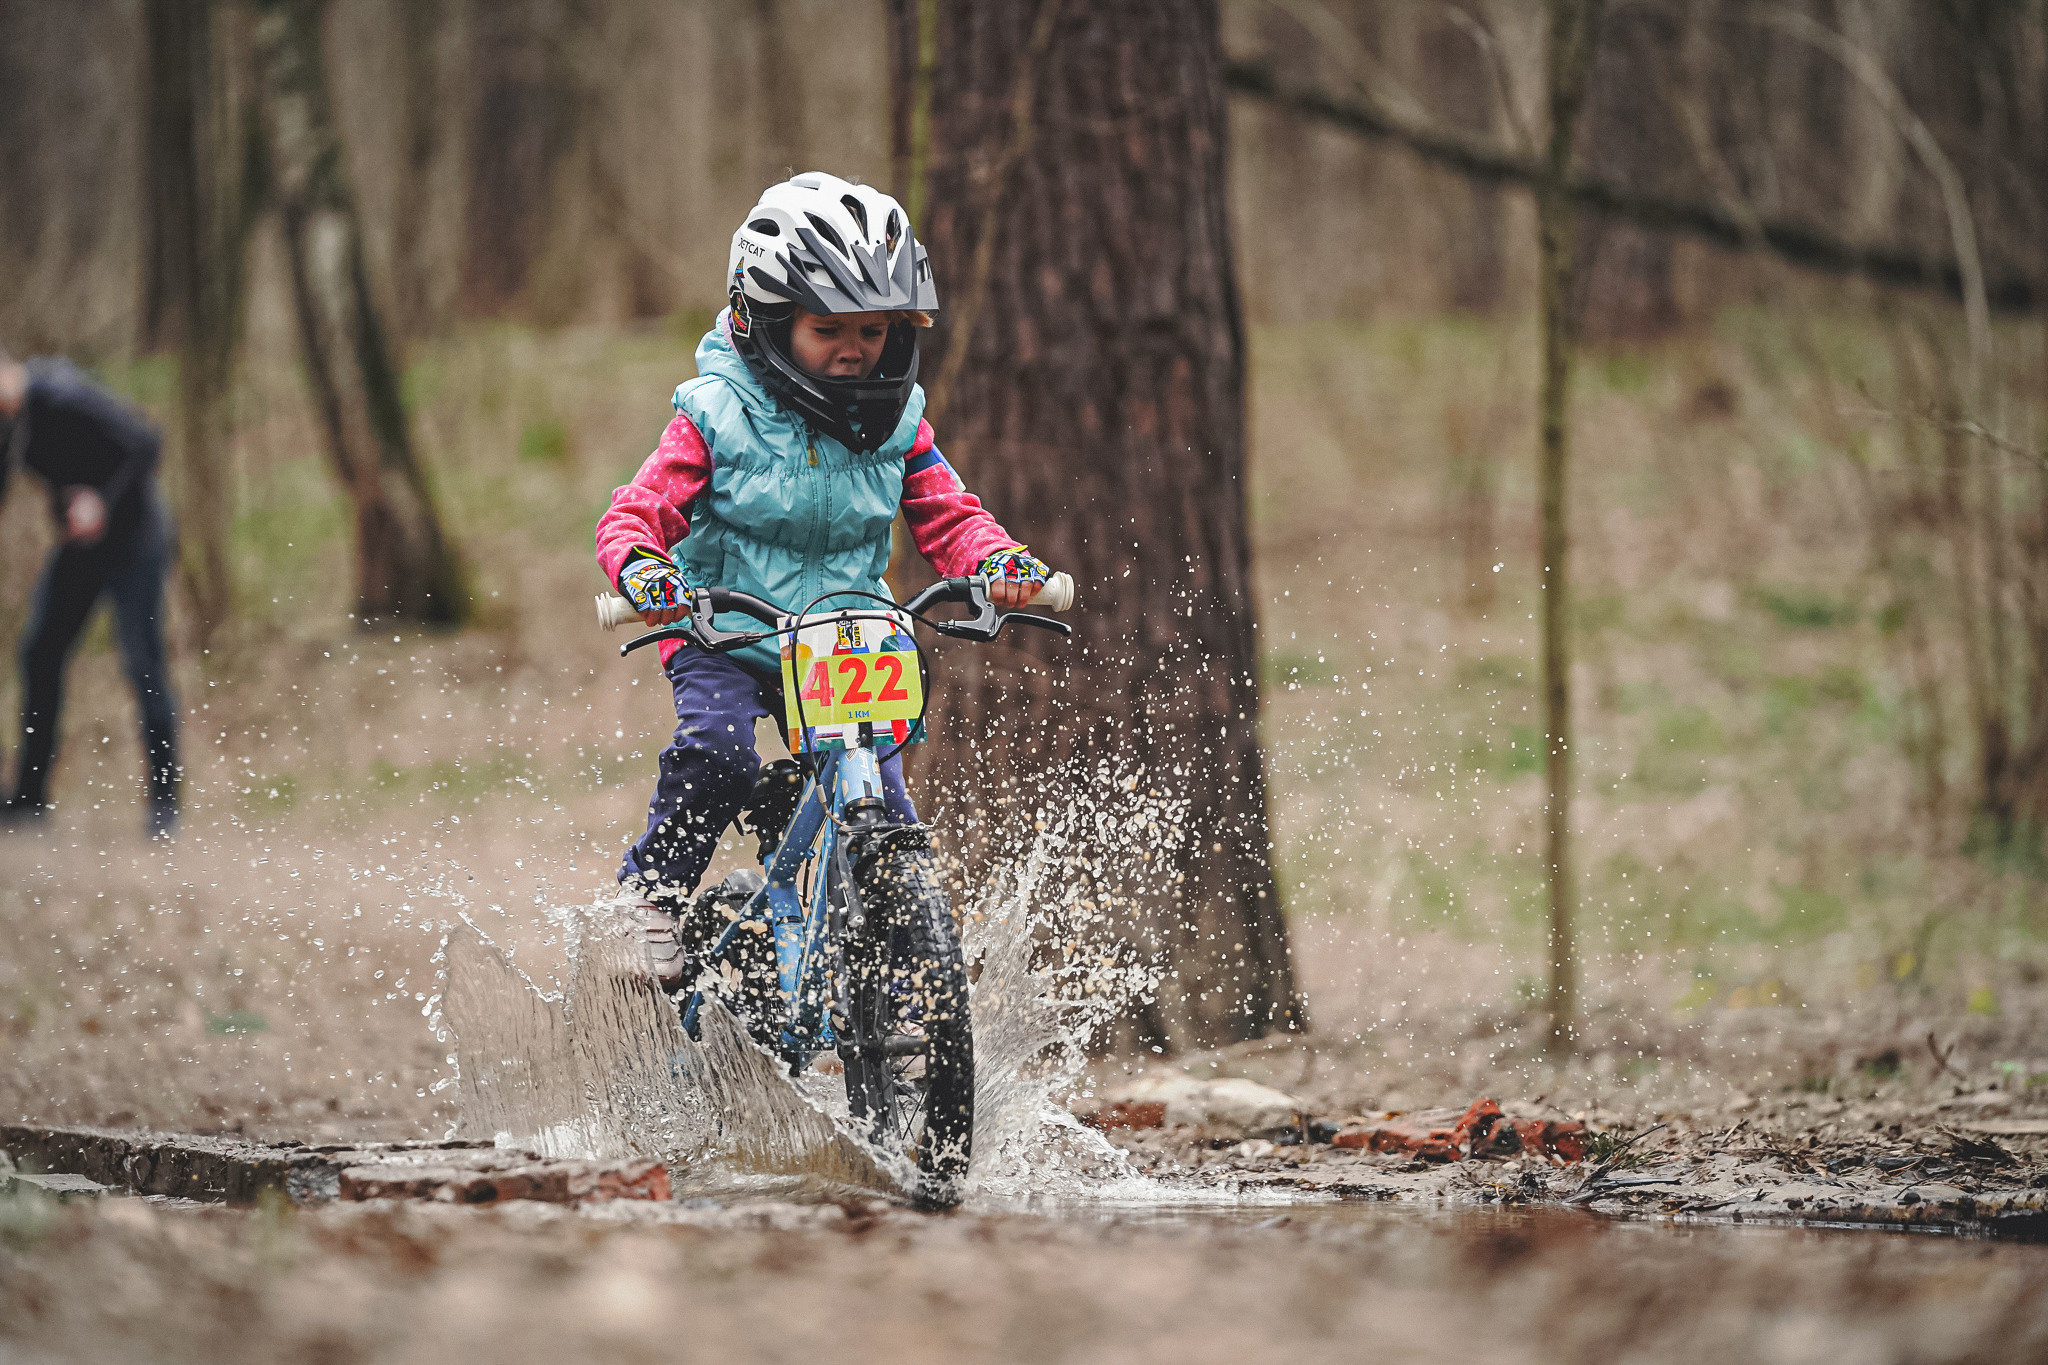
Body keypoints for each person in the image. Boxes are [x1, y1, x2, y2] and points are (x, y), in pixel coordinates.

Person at [595, 171, 1056, 988]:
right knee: (721, 752)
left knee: (882, 794)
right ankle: (652, 895)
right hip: (721, 628)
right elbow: (637, 513)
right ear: (762, 322)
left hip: (841, 633)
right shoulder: (715, 414)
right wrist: (645, 571)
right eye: (827, 328)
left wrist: (996, 564)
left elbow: (950, 515)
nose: (854, 349)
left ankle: (904, 969)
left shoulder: (894, 423)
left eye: (874, 330)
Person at [0, 348, 180, 836]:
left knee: (143, 662)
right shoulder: (7, 429)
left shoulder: (62, 394)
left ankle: (165, 804)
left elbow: (146, 442)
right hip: (82, 548)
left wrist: (101, 500)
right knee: (40, 653)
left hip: (137, 537)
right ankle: (29, 797)